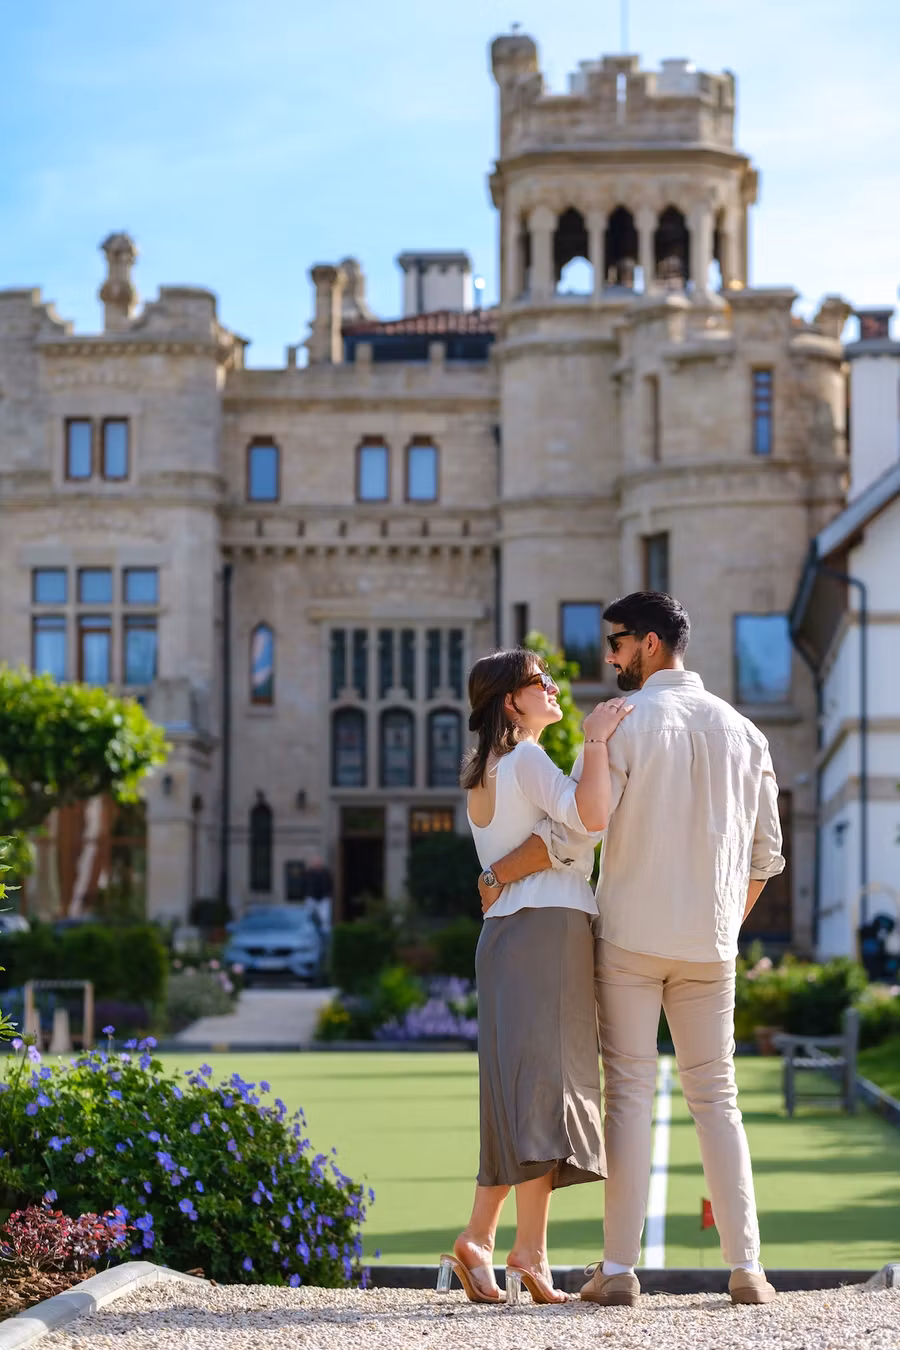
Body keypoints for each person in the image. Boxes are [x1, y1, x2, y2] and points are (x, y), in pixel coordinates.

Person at [479, 593, 785, 1307]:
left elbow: (578, 830)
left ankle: (617, 1269)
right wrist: (725, 925)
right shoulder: (747, 733)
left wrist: (498, 873)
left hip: (628, 939)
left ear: (648, 643)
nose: (609, 655)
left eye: (616, 642)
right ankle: (747, 1268)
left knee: (629, 1096)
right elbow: (766, 857)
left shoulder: (620, 724)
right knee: (718, 1098)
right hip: (710, 943)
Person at [437, 646, 632, 1306]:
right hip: (547, 930)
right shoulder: (523, 759)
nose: (551, 686)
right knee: (543, 1094)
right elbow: (590, 818)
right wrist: (596, 740)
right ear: (509, 701)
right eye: (537, 680)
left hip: (504, 938)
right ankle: (527, 1252)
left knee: (516, 1094)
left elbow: (548, 837)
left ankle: (482, 1240)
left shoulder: (485, 771)